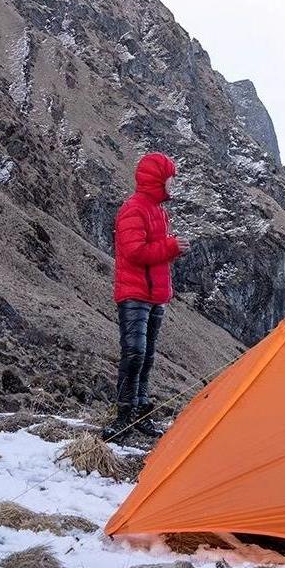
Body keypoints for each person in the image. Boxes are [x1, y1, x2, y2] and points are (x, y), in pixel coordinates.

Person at [101, 152, 186, 442]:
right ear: (157, 179)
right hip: (134, 293)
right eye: (171, 178)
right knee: (134, 351)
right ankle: (124, 414)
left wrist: (170, 248)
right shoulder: (133, 209)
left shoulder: (160, 212)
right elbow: (135, 251)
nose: (174, 183)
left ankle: (139, 412)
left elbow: (155, 253)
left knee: (146, 355)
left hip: (154, 295)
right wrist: (171, 247)